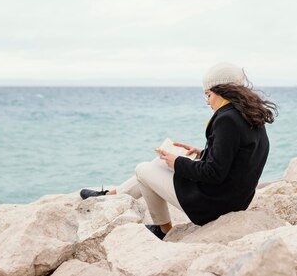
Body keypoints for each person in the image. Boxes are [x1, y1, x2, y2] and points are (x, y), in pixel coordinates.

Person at [79, 62, 277, 240]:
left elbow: (214, 173)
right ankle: (113, 194)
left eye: (208, 95)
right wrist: (201, 153)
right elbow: (241, 157)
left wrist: (177, 162)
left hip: (214, 205)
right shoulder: (250, 115)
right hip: (234, 199)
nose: (207, 101)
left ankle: (163, 229)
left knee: (143, 169)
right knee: (157, 163)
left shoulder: (227, 120)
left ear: (222, 91)